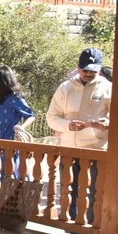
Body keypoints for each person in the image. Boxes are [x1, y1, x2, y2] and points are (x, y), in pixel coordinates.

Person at [46, 48, 112, 224]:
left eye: (93, 71)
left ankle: (90, 228)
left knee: (94, 192)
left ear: (100, 69)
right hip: (69, 148)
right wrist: (68, 125)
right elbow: (51, 118)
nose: (88, 74)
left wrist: (106, 124)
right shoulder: (65, 88)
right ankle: (69, 227)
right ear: (78, 67)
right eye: (85, 70)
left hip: (96, 149)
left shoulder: (108, 88)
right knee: (68, 190)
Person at [0, 65, 35, 182]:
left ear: (1, 81)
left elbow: (31, 116)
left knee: (11, 180)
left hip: (11, 148)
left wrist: (21, 127)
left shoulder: (14, 98)